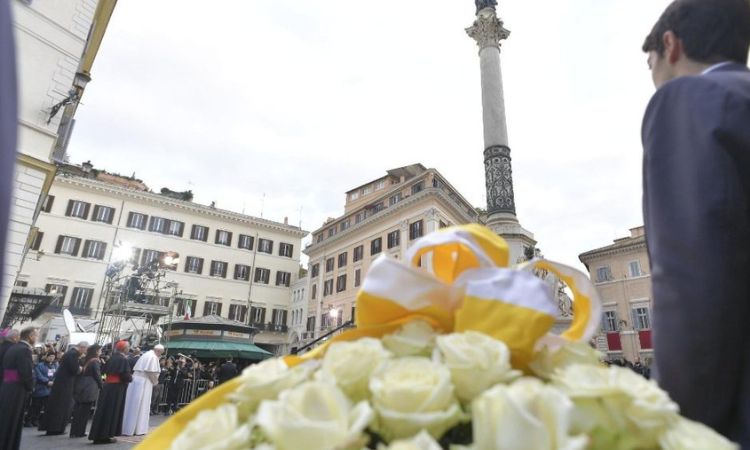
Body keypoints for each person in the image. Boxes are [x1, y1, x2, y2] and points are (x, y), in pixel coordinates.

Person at [641, 0, 750, 446]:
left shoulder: (689, 99)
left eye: (649, 64)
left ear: (670, 46)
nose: (652, 77)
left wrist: (676, 425)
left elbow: (691, 275)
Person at [88, 340, 132, 444]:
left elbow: (104, 372)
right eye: (128, 347)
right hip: (116, 388)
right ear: (124, 348)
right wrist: (131, 378)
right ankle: (105, 435)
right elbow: (125, 376)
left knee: (103, 410)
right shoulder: (123, 360)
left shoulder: (111, 358)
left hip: (108, 386)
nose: (129, 348)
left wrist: (105, 381)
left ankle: (97, 435)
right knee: (111, 411)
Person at [0, 327, 36, 450]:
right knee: (12, 420)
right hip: (17, 389)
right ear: (30, 336)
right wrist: (30, 386)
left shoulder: (13, 347)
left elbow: (7, 370)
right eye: (36, 336)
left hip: (8, 386)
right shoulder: (24, 350)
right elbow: (26, 372)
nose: (36, 338)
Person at [40, 341, 87, 435]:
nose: (85, 352)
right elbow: (74, 369)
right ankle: (55, 428)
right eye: (85, 349)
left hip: (62, 383)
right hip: (65, 384)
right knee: (61, 406)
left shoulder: (70, 353)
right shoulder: (73, 354)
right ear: (82, 347)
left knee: (59, 406)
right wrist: (81, 368)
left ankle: (55, 428)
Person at [121, 344, 164, 436]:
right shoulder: (153, 357)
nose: (160, 355)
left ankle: (128, 428)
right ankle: (138, 429)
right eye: (161, 353)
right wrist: (155, 382)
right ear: (158, 351)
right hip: (144, 382)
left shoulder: (145, 355)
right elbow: (150, 371)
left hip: (136, 381)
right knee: (140, 406)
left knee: (132, 405)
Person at [70, 344, 103, 438]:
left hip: (80, 385)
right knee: (84, 411)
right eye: (100, 350)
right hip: (89, 387)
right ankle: (80, 432)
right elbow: (97, 375)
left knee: (77, 410)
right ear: (96, 351)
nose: (101, 352)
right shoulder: (95, 361)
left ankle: (73, 431)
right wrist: (101, 385)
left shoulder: (84, 359)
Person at [25, 352, 57, 427]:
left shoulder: (55, 365)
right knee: (35, 406)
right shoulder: (40, 365)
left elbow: (56, 375)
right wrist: (47, 381)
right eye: (50, 356)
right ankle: (28, 420)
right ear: (46, 357)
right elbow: (38, 375)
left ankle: (36, 420)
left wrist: (53, 381)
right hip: (40, 388)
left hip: (49, 389)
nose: (51, 358)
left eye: (53, 356)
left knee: (42, 407)